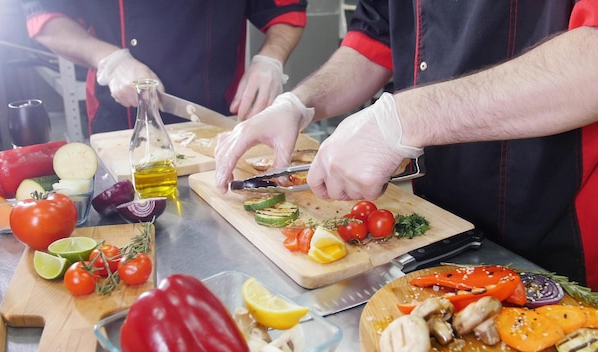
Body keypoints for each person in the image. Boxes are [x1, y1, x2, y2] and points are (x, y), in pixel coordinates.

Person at [215, 1, 598, 291]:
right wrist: (298, 104)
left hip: (562, 240)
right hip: (441, 233)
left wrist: (406, 117)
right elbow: (374, 39)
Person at [21, 1, 307, 134]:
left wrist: (270, 59)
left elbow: (286, 9)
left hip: (219, 119)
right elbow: (45, 18)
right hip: (121, 125)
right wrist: (109, 59)